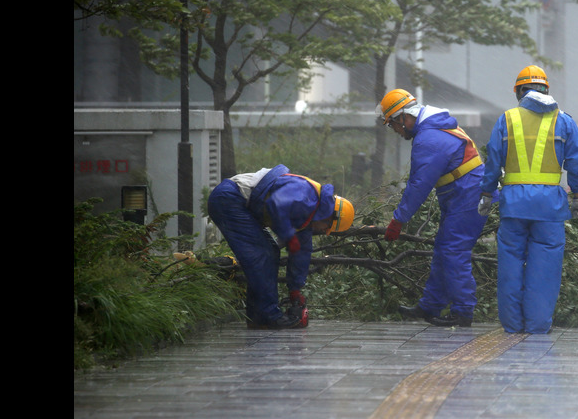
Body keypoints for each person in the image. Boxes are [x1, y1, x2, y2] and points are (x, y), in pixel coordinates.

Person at [478, 65, 578, 334]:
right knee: (545, 270)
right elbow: (576, 163)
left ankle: (513, 326)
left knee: (510, 267)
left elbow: (493, 161)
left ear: (519, 92)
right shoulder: (564, 121)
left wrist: (485, 193)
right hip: (549, 209)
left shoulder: (507, 119)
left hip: (513, 206)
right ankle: (538, 326)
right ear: (546, 90)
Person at [377, 89, 496, 327]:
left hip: (468, 195)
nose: (396, 132)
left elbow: (419, 185)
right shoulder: (435, 128)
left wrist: (398, 220)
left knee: (453, 250)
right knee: (443, 249)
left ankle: (463, 312)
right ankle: (430, 306)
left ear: (404, 117)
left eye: (393, 125)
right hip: (465, 193)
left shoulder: (428, 139)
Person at [208, 164, 354, 329]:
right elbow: (275, 203)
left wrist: (295, 289)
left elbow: (301, 255)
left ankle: (259, 316)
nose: (323, 231)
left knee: (270, 252)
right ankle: (266, 316)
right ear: (329, 217)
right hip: (230, 199)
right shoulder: (306, 194)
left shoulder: (309, 217)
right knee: (262, 255)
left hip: (239, 203)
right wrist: (289, 235)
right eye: (327, 228)